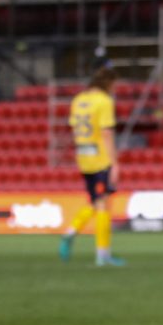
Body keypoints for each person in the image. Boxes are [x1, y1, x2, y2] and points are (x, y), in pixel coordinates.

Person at [60, 65, 124, 266]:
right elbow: (106, 133)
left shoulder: (79, 100)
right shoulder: (104, 102)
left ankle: (71, 232)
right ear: (108, 83)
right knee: (103, 203)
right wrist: (114, 163)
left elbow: (73, 128)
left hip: (83, 157)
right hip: (100, 159)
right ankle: (102, 254)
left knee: (96, 202)